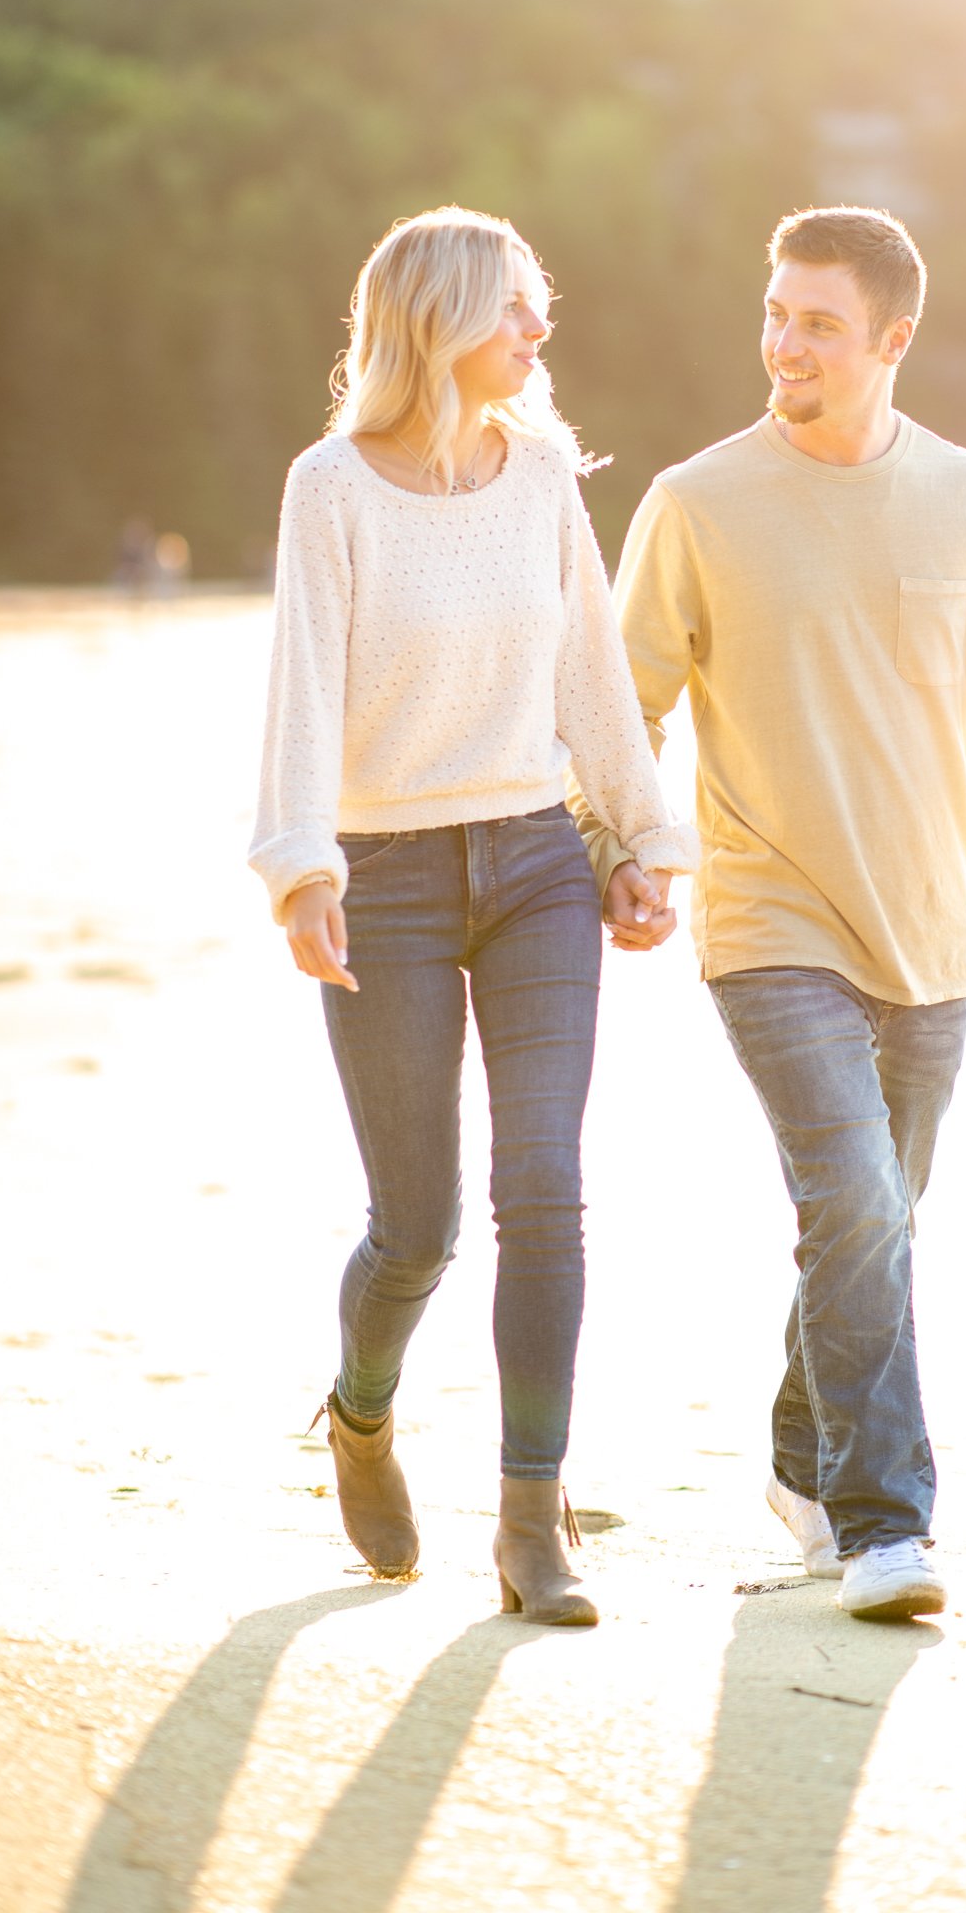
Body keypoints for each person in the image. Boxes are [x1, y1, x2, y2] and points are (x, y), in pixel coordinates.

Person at [572, 206, 966, 1623]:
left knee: (875, 1217)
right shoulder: (698, 503)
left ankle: (798, 1457)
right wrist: (619, 848)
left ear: (892, 340)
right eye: (774, 314)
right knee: (859, 1200)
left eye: (818, 322)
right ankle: (887, 1524)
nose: (783, 344)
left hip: (935, 929)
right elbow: (616, 713)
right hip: (769, 921)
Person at [249, 207, 696, 1625]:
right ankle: (364, 1415)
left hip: (536, 866)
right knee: (420, 1225)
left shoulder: (546, 472)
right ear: (439, 318)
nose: (538, 329)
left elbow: (591, 674)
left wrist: (636, 834)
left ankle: (532, 1516)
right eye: (515, 306)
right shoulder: (331, 488)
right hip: (380, 879)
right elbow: (303, 687)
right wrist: (302, 864)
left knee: (546, 1193)